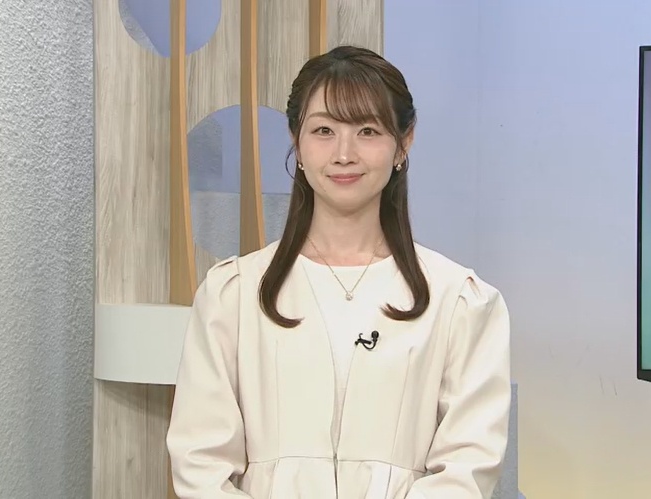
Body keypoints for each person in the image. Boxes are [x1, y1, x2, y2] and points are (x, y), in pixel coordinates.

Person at [167, 45, 511, 499]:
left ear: (404, 142)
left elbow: (468, 467)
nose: (344, 154)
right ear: (297, 141)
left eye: (367, 131)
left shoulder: (461, 302)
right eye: (324, 130)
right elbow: (200, 465)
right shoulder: (233, 294)